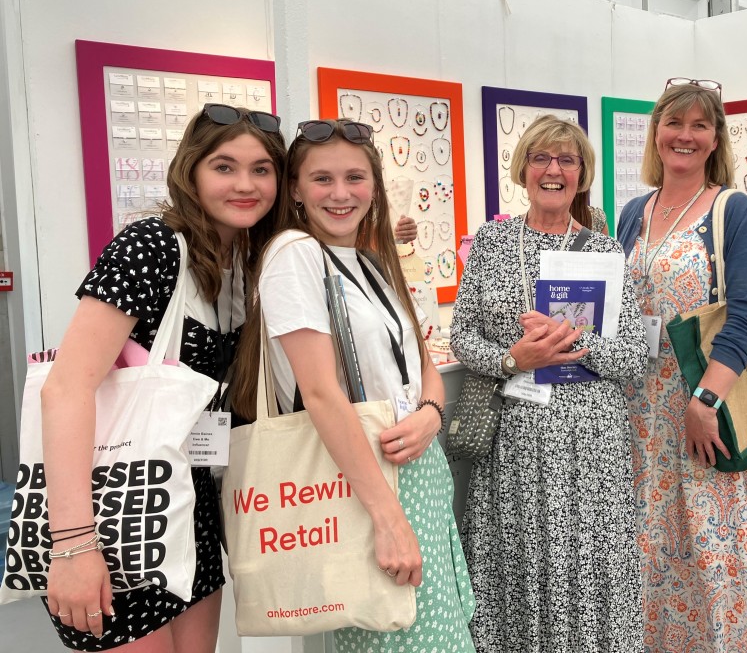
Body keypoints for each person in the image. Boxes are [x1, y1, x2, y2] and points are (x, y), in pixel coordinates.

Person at [39, 104, 287, 651]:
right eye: (225, 167)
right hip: (119, 511)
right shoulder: (150, 246)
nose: (245, 184)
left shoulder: (245, 260)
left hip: (190, 505)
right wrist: (74, 545)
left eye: (262, 169)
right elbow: (66, 386)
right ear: (192, 170)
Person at [231, 117, 475, 651]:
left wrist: (432, 414)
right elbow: (319, 392)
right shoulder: (295, 255)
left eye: (355, 178)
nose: (341, 194)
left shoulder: (366, 260)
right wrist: (389, 521)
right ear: (294, 188)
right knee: (404, 636)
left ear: (375, 186)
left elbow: (421, 359)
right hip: (371, 482)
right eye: (322, 179)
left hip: (416, 473)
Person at [450, 114, 646, 652]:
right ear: (523, 169)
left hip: (591, 445)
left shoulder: (605, 252)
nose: (553, 170)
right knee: (521, 560)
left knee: (586, 564)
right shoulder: (491, 242)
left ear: (582, 174)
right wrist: (515, 357)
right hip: (516, 440)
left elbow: (632, 355)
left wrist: (572, 340)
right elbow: (461, 337)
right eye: (541, 158)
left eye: (567, 160)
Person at [617, 79, 747, 653]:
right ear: (656, 132)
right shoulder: (635, 211)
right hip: (636, 407)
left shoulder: (734, 211)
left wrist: (705, 402)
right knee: (647, 541)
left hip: (701, 402)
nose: (685, 135)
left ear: (714, 139)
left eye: (699, 126)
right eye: (674, 123)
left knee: (708, 542)